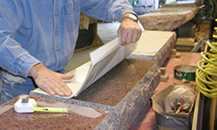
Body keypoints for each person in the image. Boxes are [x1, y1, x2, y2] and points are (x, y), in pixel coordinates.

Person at [0, 0, 142, 104]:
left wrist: (128, 16)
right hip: (22, 82)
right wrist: (36, 69)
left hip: (61, 76)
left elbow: (106, 2)